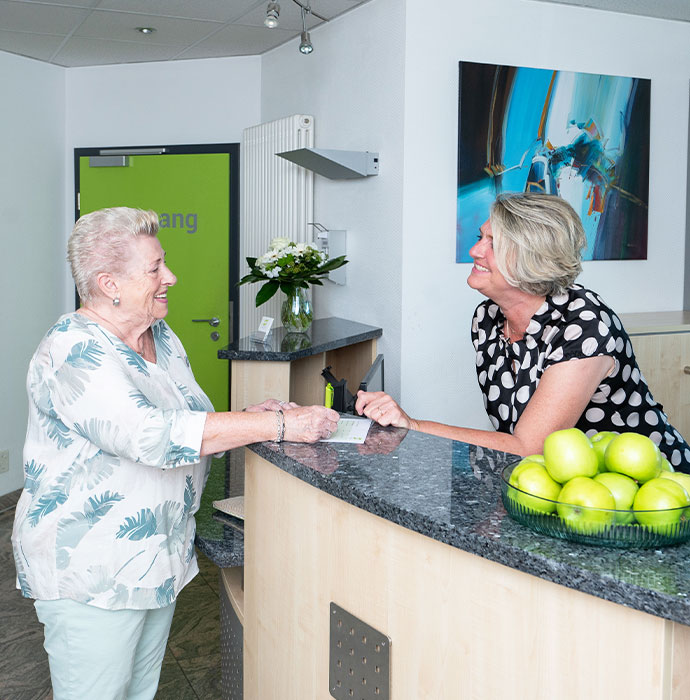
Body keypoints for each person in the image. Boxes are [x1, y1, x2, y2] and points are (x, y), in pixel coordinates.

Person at [11, 207, 339, 700]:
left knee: (138, 691)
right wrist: (279, 423)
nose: (171, 277)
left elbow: (185, 417)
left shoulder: (158, 335)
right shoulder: (72, 350)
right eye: (154, 269)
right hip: (92, 569)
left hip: (155, 556)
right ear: (108, 283)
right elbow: (153, 435)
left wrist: (250, 413)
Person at [356, 192, 690, 472]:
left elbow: (529, 447)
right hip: (561, 486)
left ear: (534, 257)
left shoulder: (584, 324)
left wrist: (413, 426)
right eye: (479, 238)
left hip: (645, 490)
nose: (475, 251)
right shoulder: (487, 318)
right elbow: (511, 434)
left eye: (493, 243)